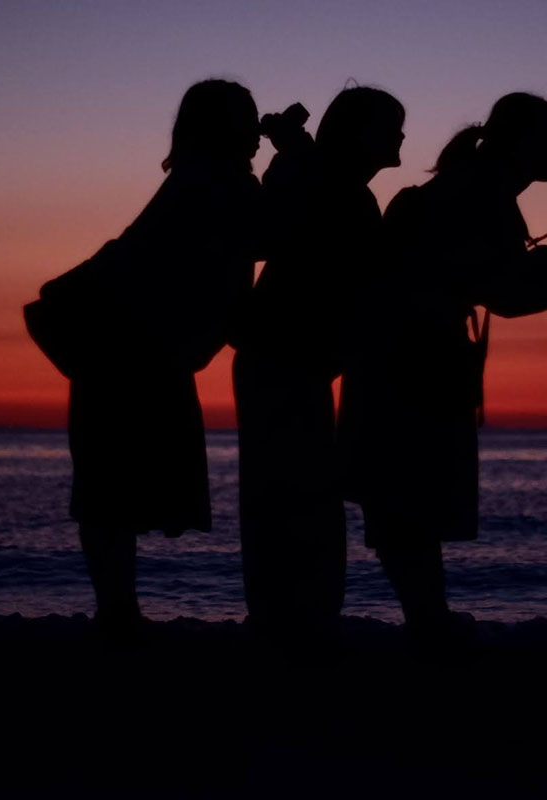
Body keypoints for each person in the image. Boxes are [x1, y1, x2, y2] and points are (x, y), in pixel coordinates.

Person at [339, 92, 547, 640]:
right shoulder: (483, 195)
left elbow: (480, 274)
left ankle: (426, 617)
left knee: (402, 499)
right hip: (414, 361)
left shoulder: (467, 187)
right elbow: (507, 290)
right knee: (411, 500)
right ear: (519, 143)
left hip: (392, 356)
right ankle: (429, 623)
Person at [65, 79, 261, 634]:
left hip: (120, 345)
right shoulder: (217, 181)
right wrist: (300, 159)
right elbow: (276, 233)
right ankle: (118, 617)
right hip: (134, 350)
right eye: (248, 120)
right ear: (224, 128)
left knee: (109, 492)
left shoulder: (196, 178)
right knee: (111, 494)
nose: (257, 134)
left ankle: (117, 612)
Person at [233, 87, 406, 642]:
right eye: (391, 127)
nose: (401, 137)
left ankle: (291, 617)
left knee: (293, 494)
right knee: (293, 495)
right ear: (361, 135)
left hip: (291, 358)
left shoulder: (331, 182)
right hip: (284, 357)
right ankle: (293, 621)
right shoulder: (332, 186)